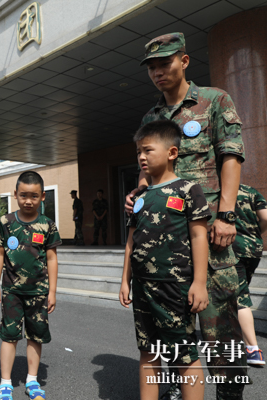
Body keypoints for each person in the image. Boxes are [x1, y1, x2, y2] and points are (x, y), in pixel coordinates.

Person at [126, 32, 248, 400]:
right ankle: (179, 390)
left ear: (184, 61)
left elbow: (231, 156)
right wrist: (138, 193)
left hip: (209, 234)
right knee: (168, 331)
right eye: (152, 67)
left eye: (165, 63)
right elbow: (147, 172)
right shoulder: (153, 115)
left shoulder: (213, 101)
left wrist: (225, 214)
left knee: (218, 329)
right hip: (165, 244)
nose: (158, 72)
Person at [120, 120, 210, 400]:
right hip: (143, 286)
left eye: (148, 150)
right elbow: (131, 241)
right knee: (148, 351)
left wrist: (199, 282)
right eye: (138, 152)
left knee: (183, 355)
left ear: (172, 152)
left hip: (175, 286)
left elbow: (199, 237)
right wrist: (125, 280)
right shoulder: (140, 197)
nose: (141, 157)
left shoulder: (188, 189)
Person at [0, 171, 61, 400]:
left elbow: (51, 258)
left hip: (38, 292)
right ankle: (5, 383)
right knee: (9, 335)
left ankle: (32, 381)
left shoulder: (47, 225)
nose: (27, 201)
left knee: (36, 336)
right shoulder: (6, 222)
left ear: (42, 196)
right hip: (11, 290)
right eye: (23, 195)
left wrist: (52, 291)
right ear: (15, 195)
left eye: (33, 196)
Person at [232, 184, 267, 366]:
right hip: (254, 247)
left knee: (240, 298)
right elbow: (265, 217)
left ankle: (253, 349)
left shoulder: (220, 192)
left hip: (233, 248)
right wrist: (254, 234)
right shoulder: (251, 191)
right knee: (239, 291)